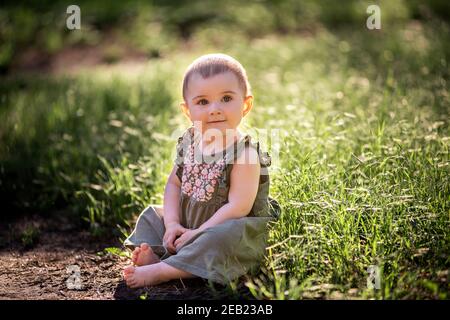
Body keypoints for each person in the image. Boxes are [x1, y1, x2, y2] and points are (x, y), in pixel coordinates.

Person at [122, 53, 280, 288]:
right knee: (153, 215)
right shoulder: (190, 143)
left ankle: (165, 270)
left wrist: (198, 233)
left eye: (226, 98)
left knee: (221, 239)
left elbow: (238, 207)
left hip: (222, 228)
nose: (215, 109)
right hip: (187, 224)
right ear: (187, 111)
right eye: (203, 102)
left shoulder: (244, 155)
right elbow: (174, 185)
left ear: (245, 105)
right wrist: (174, 224)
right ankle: (164, 255)